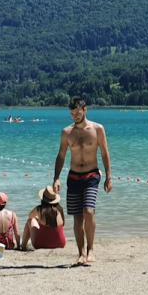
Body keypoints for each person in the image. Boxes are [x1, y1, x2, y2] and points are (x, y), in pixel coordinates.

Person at [53, 96, 113, 266]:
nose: (75, 116)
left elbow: (104, 153)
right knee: (77, 218)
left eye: (77, 113)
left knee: (89, 211)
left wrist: (109, 176)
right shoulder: (67, 132)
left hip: (92, 175)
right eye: (72, 114)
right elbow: (61, 155)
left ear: (85, 109)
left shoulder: (97, 129)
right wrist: (56, 178)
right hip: (73, 177)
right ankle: (80, 253)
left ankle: (90, 250)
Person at [21, 187, 68, 251]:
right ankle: (23, 245)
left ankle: (23, 245)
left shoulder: (40, 209)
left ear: (43, 198)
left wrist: (38, 219)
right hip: (60, 244)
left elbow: (30, 216)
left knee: (30, 220)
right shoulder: (60, 209)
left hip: (41, 244)